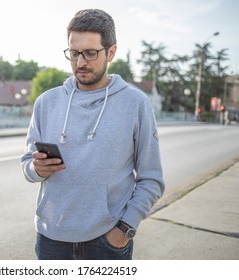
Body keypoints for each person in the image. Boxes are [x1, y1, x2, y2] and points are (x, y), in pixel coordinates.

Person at [20, 9, 165, 260]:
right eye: (74, 53)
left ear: (111, 52)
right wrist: (37, 168)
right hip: (51, 239)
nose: (80, 62)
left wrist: (124, 230)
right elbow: (27, 165)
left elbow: (151, 179)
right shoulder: (46, 102)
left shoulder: (136, 104)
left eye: (90, 53)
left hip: (107, 242)